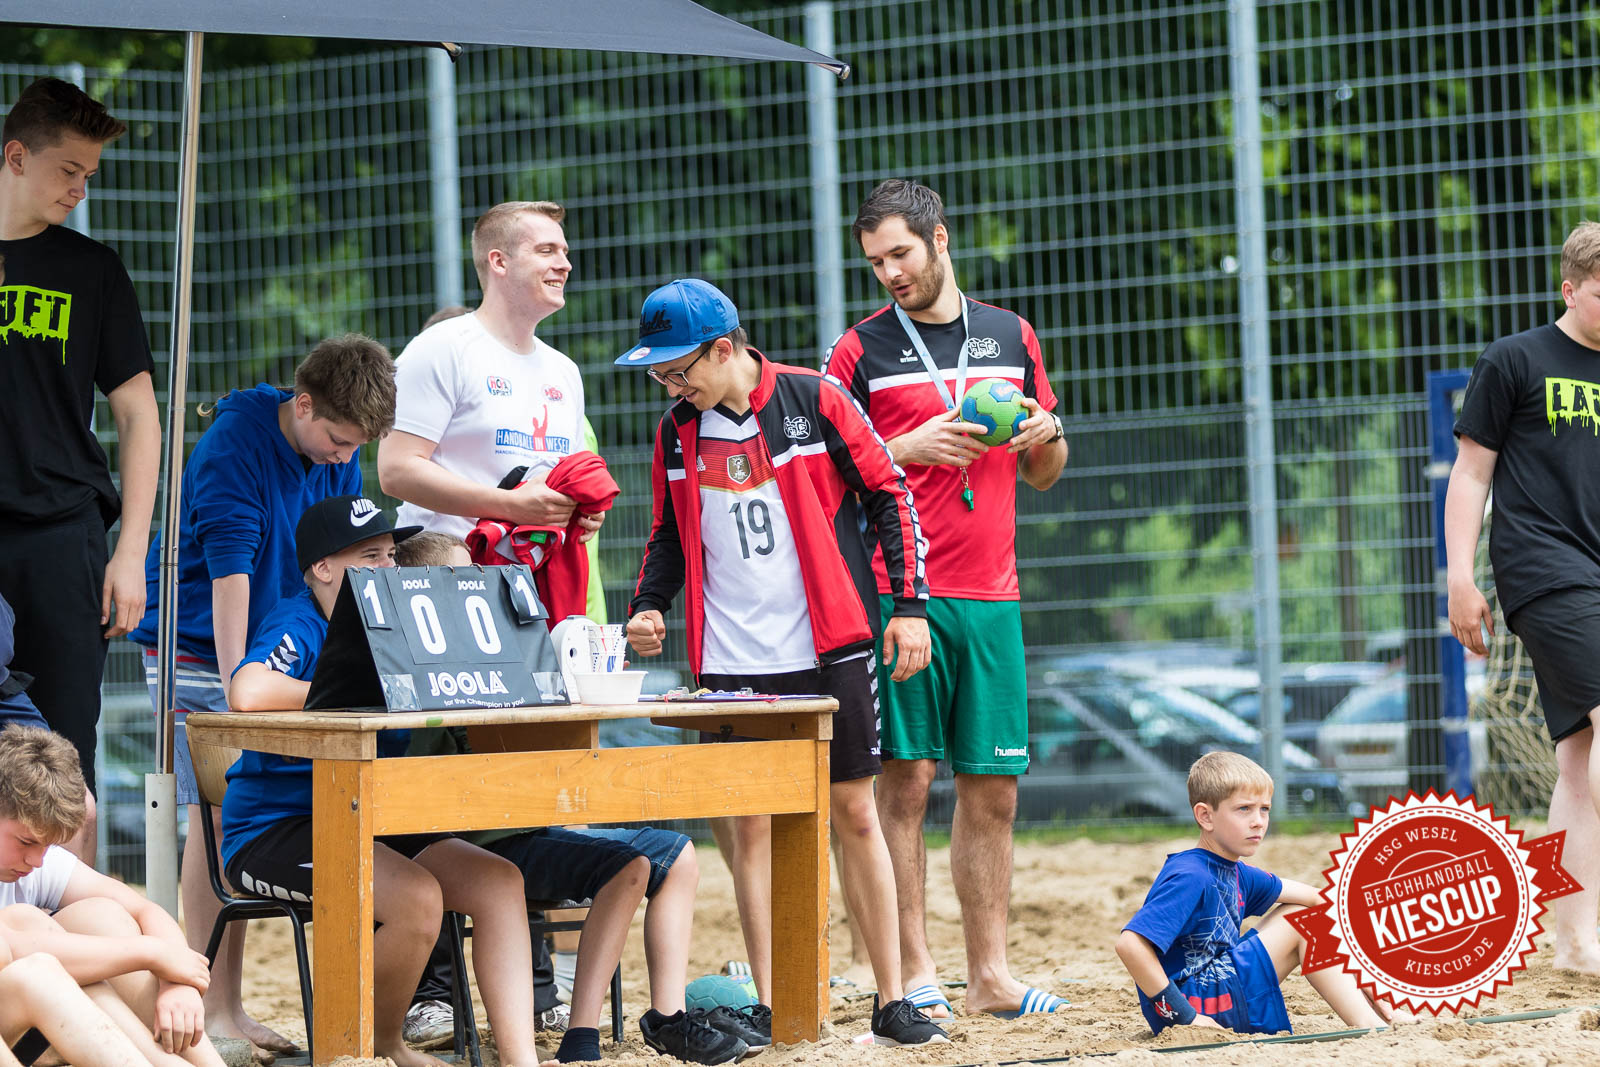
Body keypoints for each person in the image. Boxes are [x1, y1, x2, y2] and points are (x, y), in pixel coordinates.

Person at [621, 278, 946, 1048]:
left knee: (855, 812)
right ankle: (776, 996)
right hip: (730, 662)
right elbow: (668, 532)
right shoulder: (676, 431)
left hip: (828, 644)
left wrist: (908, 605)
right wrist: (650, 603)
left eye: (678, 370)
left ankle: (892, 995)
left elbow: (888, 494)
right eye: (662, 376)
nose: (672, 386)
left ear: (724, 349)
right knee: (747, 827)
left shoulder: (815, 398)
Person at [821, 178, 1068, 1018]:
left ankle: (991, 974)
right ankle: (916, 970)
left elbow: (1043, 475)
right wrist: (903, 443)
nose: (889, 272)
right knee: (906, 780)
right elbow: (822, 474)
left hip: (994, 593)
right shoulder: (857, 352)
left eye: (900, 253)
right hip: (899, 595)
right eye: (875, 260)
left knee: (993, 788)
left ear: (940, 238)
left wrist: (1048, 435)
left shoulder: (1011, 334)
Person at [126, 333, 396, 1058]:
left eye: (355, 447)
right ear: (303, 405)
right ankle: (214, 1008)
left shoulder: (337, 442)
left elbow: (337, 558)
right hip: (201, 639)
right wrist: (238, 704)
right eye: (339, 441)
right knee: (212, 804)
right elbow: (228, 585)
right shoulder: (231, 452)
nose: (346, 459)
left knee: (233, 799)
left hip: (281, 630)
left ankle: (229, 1003)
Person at [222, 496, 548, 1067]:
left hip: (373, 815)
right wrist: (343, 702)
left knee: (499, 882)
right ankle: (374, 1046)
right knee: (417, 899)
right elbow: (247, 691)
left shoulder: (395, 620)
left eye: (391, 556)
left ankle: (520, 1061)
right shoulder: (299, 619)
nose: (387, 570)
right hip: (275, 829)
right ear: (323, 569)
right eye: (369, 557)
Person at [394, 533, 742, 1066]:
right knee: (631, 862)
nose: (476, 586)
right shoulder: (412, 662)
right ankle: (604, 1029)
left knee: (650, 860)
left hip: (520, 828)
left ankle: (604, 1032)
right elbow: (428, 785)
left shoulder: (497, 648)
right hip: (470, 842)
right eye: (463, 576)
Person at [0, 76, 161, 865]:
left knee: (64, 755)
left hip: (64, 534)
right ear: (16, 155)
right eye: (69, 170)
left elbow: (138, 415)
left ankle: (74, 950)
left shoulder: (93, 269)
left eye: (90, 175)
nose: (79, 188)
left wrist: (131, 551)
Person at [1446, 219, 1600, 975]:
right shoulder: (1516, 359)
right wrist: (1460, 575)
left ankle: (1574, 943)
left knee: (1578, 761)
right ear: (1570, 288)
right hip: (1545, 568)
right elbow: (1471, 473)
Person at [378, 201, 603, 550]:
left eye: (564, 251)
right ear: (499, 261)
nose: (564, 264)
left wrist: (582, 506)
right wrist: (511, 507)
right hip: (445, 577)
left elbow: (562, 480)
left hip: (534, 581)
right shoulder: (442, 348)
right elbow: (395, 471)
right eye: (546, 251)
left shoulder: (565, 371)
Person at [1113, 752, 1388, 1036]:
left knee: (1305, 912)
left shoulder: (1236, 871)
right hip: (1196, 1007)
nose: (1258, 821)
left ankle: (1376, 1013)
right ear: (1205, 816)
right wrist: (1186, 1017)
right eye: (1244, 809)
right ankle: (1371, 1025)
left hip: (1217, 992)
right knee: (1301, 921)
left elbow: (1321, 900)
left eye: (1264, 809)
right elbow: (1130, 945)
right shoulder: (1190, 874)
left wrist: (1370, 982)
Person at [0, 724, 225, 1067]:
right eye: (27, 842)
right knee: (33, 944)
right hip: (21, 1010)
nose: (36, 860)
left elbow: (143, 909)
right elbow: (10, 948)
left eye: (46, 845)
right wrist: (150, 953)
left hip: (30, 1018)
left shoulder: (33, 863)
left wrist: (176, 982)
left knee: (100, 915)